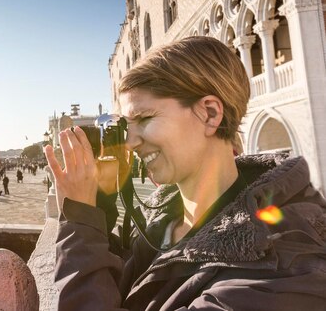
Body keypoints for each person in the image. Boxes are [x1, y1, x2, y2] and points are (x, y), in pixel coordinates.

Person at [44, 36, 326, 310]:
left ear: (210, 114)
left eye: (145, 118)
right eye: (128, 125)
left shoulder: (278, 268)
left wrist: (79, 224)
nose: (129, 142)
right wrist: (99, 206)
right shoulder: (164, 224)